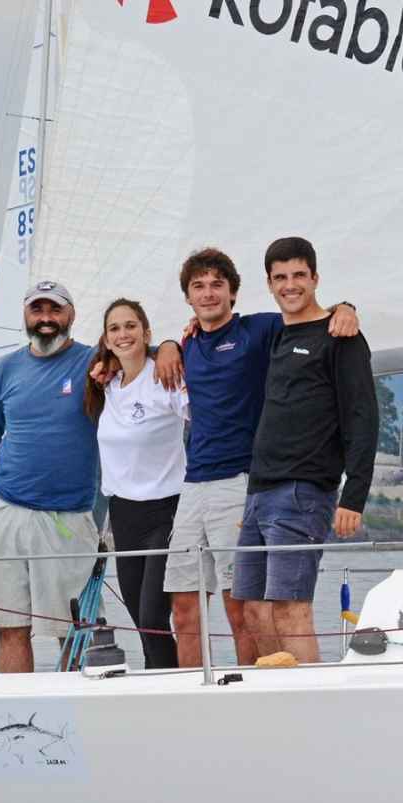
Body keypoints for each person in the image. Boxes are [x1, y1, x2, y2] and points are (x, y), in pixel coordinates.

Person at [0, 280, 182, 673]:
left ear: (71, 315)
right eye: (37, 310)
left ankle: (74, 715)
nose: (46, 319)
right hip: (5, 506)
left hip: (68, 517)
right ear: (26, 315)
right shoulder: (6, 367)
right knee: (11, 626)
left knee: (76, 631)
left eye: (55, 310)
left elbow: (134, 348)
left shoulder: (94, 363)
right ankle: (15, 712)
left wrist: (168, 347)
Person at [156, 248, 359, 669]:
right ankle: (191, 692)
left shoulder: (259, 330)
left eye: (217, 285)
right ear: (188, 297)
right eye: (199, 287)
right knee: (183, 605)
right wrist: (168, 344)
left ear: (234, 292)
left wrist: (347, 308)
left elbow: (309, 315)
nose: (209, 294)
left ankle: (250, 684)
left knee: (242, 605)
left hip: (242, 479)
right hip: (192, 484)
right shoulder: (187, 345)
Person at [234, 237, 378, 664]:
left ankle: (310, 706)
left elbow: (363, 417)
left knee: (291, 608)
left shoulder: (341, 336)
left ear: (315, 279)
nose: (290, 285)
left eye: (299, 275)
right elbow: (218, 322)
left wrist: (354, 495)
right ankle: (273, 702)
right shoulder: (277, 334)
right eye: (280, 277)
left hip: (304, 492)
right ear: (269, 283)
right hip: (260, 493)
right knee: (254, 611)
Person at [85, 298, 188, 670]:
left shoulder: (165, 377)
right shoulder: (106, 384)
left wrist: (168, 347)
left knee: (152, 617)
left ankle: (170, 695)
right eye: (115, 328)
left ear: (146, 333)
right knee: (140, 621)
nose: (123, 334)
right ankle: (161, 688)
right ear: (106, 339)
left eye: (131, 326)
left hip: (167, 512)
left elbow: (204, 418)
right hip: (123, 515)